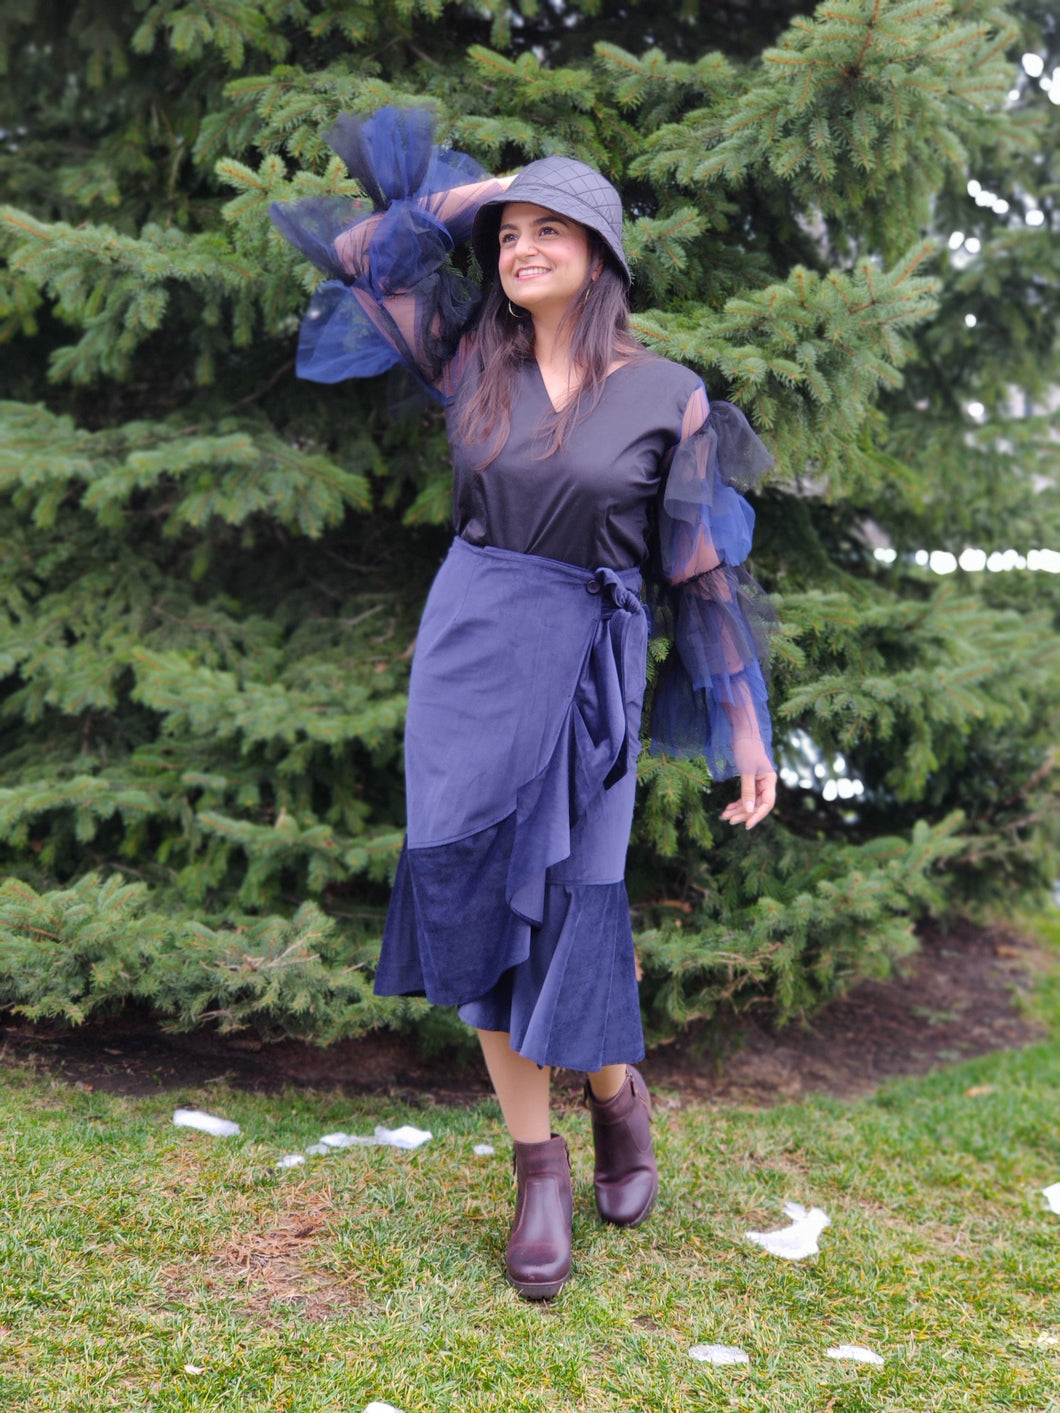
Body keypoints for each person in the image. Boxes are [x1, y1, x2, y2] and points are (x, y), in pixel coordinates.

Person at [270, 106, 777, 1301]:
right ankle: (536, 1168)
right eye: (513, 234)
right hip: (471, 652)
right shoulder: (467, 356)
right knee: (468, 898)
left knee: (570, 909)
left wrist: (744, 726)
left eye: (556, 231)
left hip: (592, 668)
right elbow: (357, 250)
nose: (521, 248)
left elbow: (701, 568)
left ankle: (612, 1091)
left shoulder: (668, 394)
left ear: (602, 257)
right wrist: (495, 189)